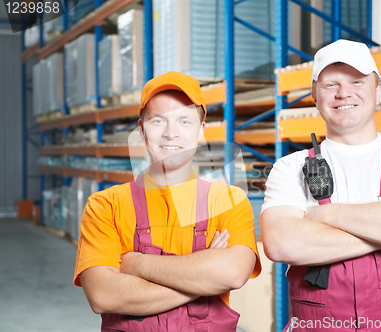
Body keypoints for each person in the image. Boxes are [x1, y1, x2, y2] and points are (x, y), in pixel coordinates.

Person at [261, 39, 381, 332]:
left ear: (377, 91)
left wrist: (323, 215)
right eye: (330, 85)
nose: (344, 93)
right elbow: (281, 242)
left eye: (357, 81)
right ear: (314, 94)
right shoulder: (290, 168)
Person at [73, 71, 261, 331]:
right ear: (141, 129)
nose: (171, 134)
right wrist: (203, 280)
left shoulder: (229, 200)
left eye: (184, 121)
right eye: (158, 121)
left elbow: (232, 274)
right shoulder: (105, 205)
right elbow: (104, 296)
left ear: (201, 131)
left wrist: (138, 264)